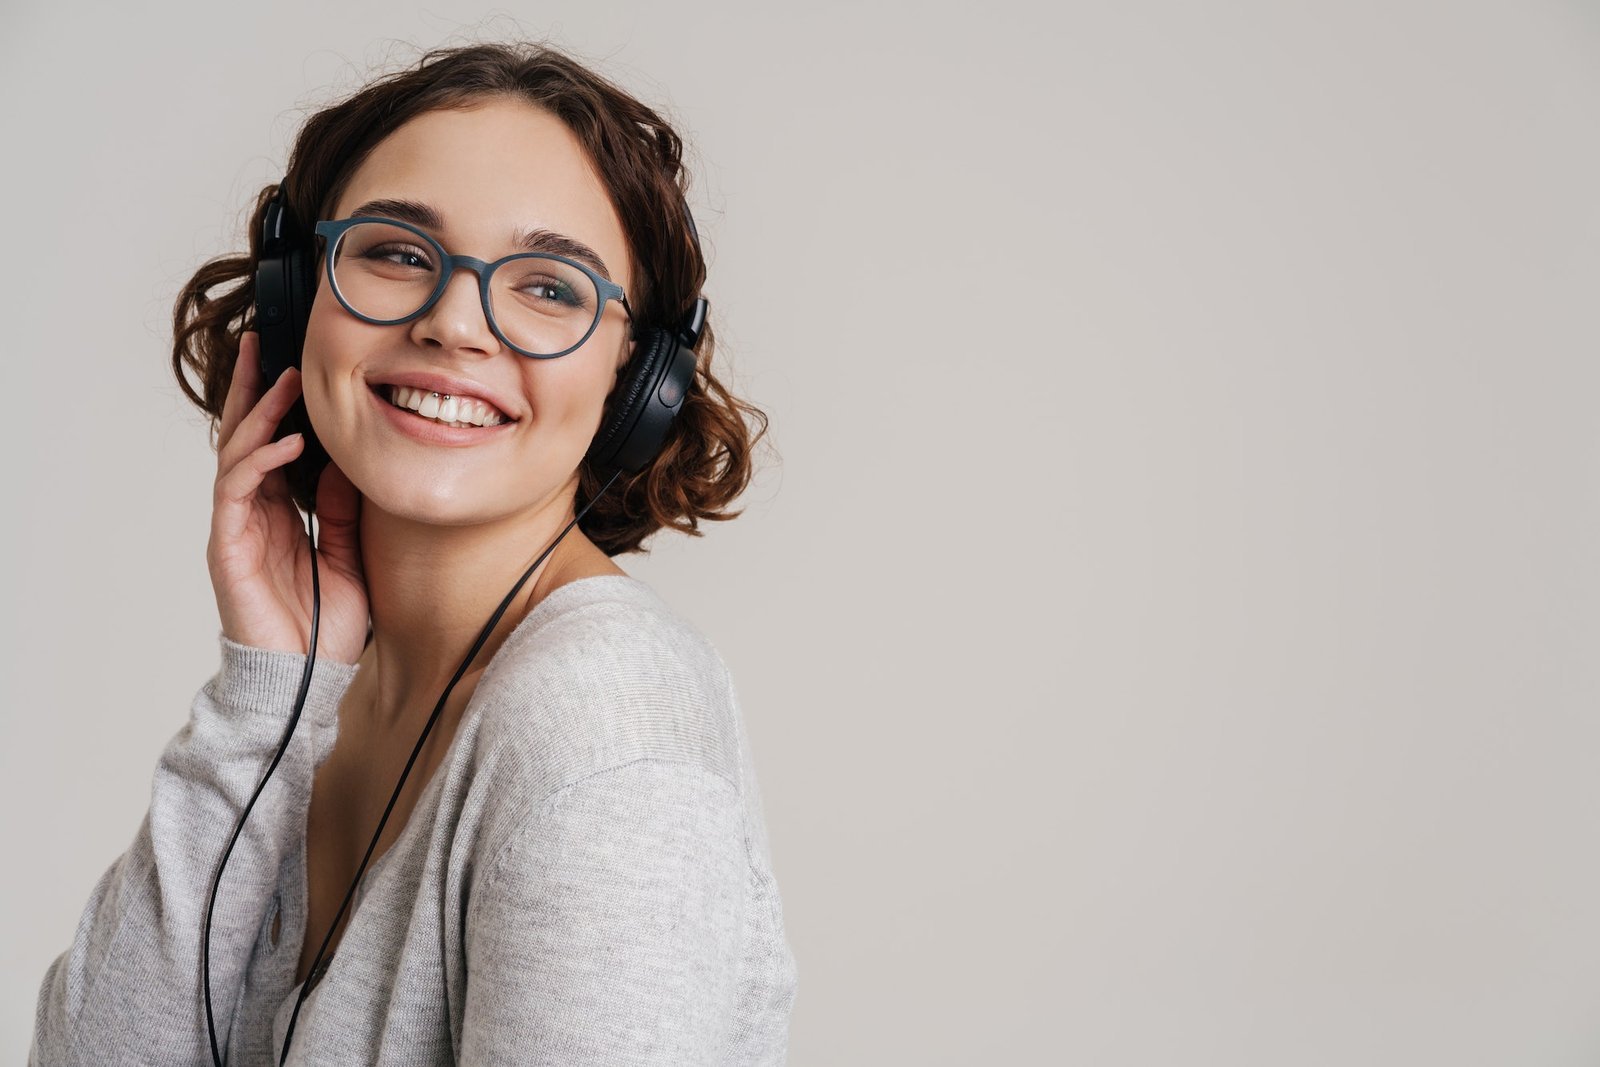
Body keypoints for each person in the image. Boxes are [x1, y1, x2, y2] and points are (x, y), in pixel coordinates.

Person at [30, 40, 797, 1066]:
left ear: (637, 374)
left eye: (550, 287)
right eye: (395, 251)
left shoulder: (603, 740)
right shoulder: (329, 690)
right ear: (297, 294)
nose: (453, 322)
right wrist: (267, 694)